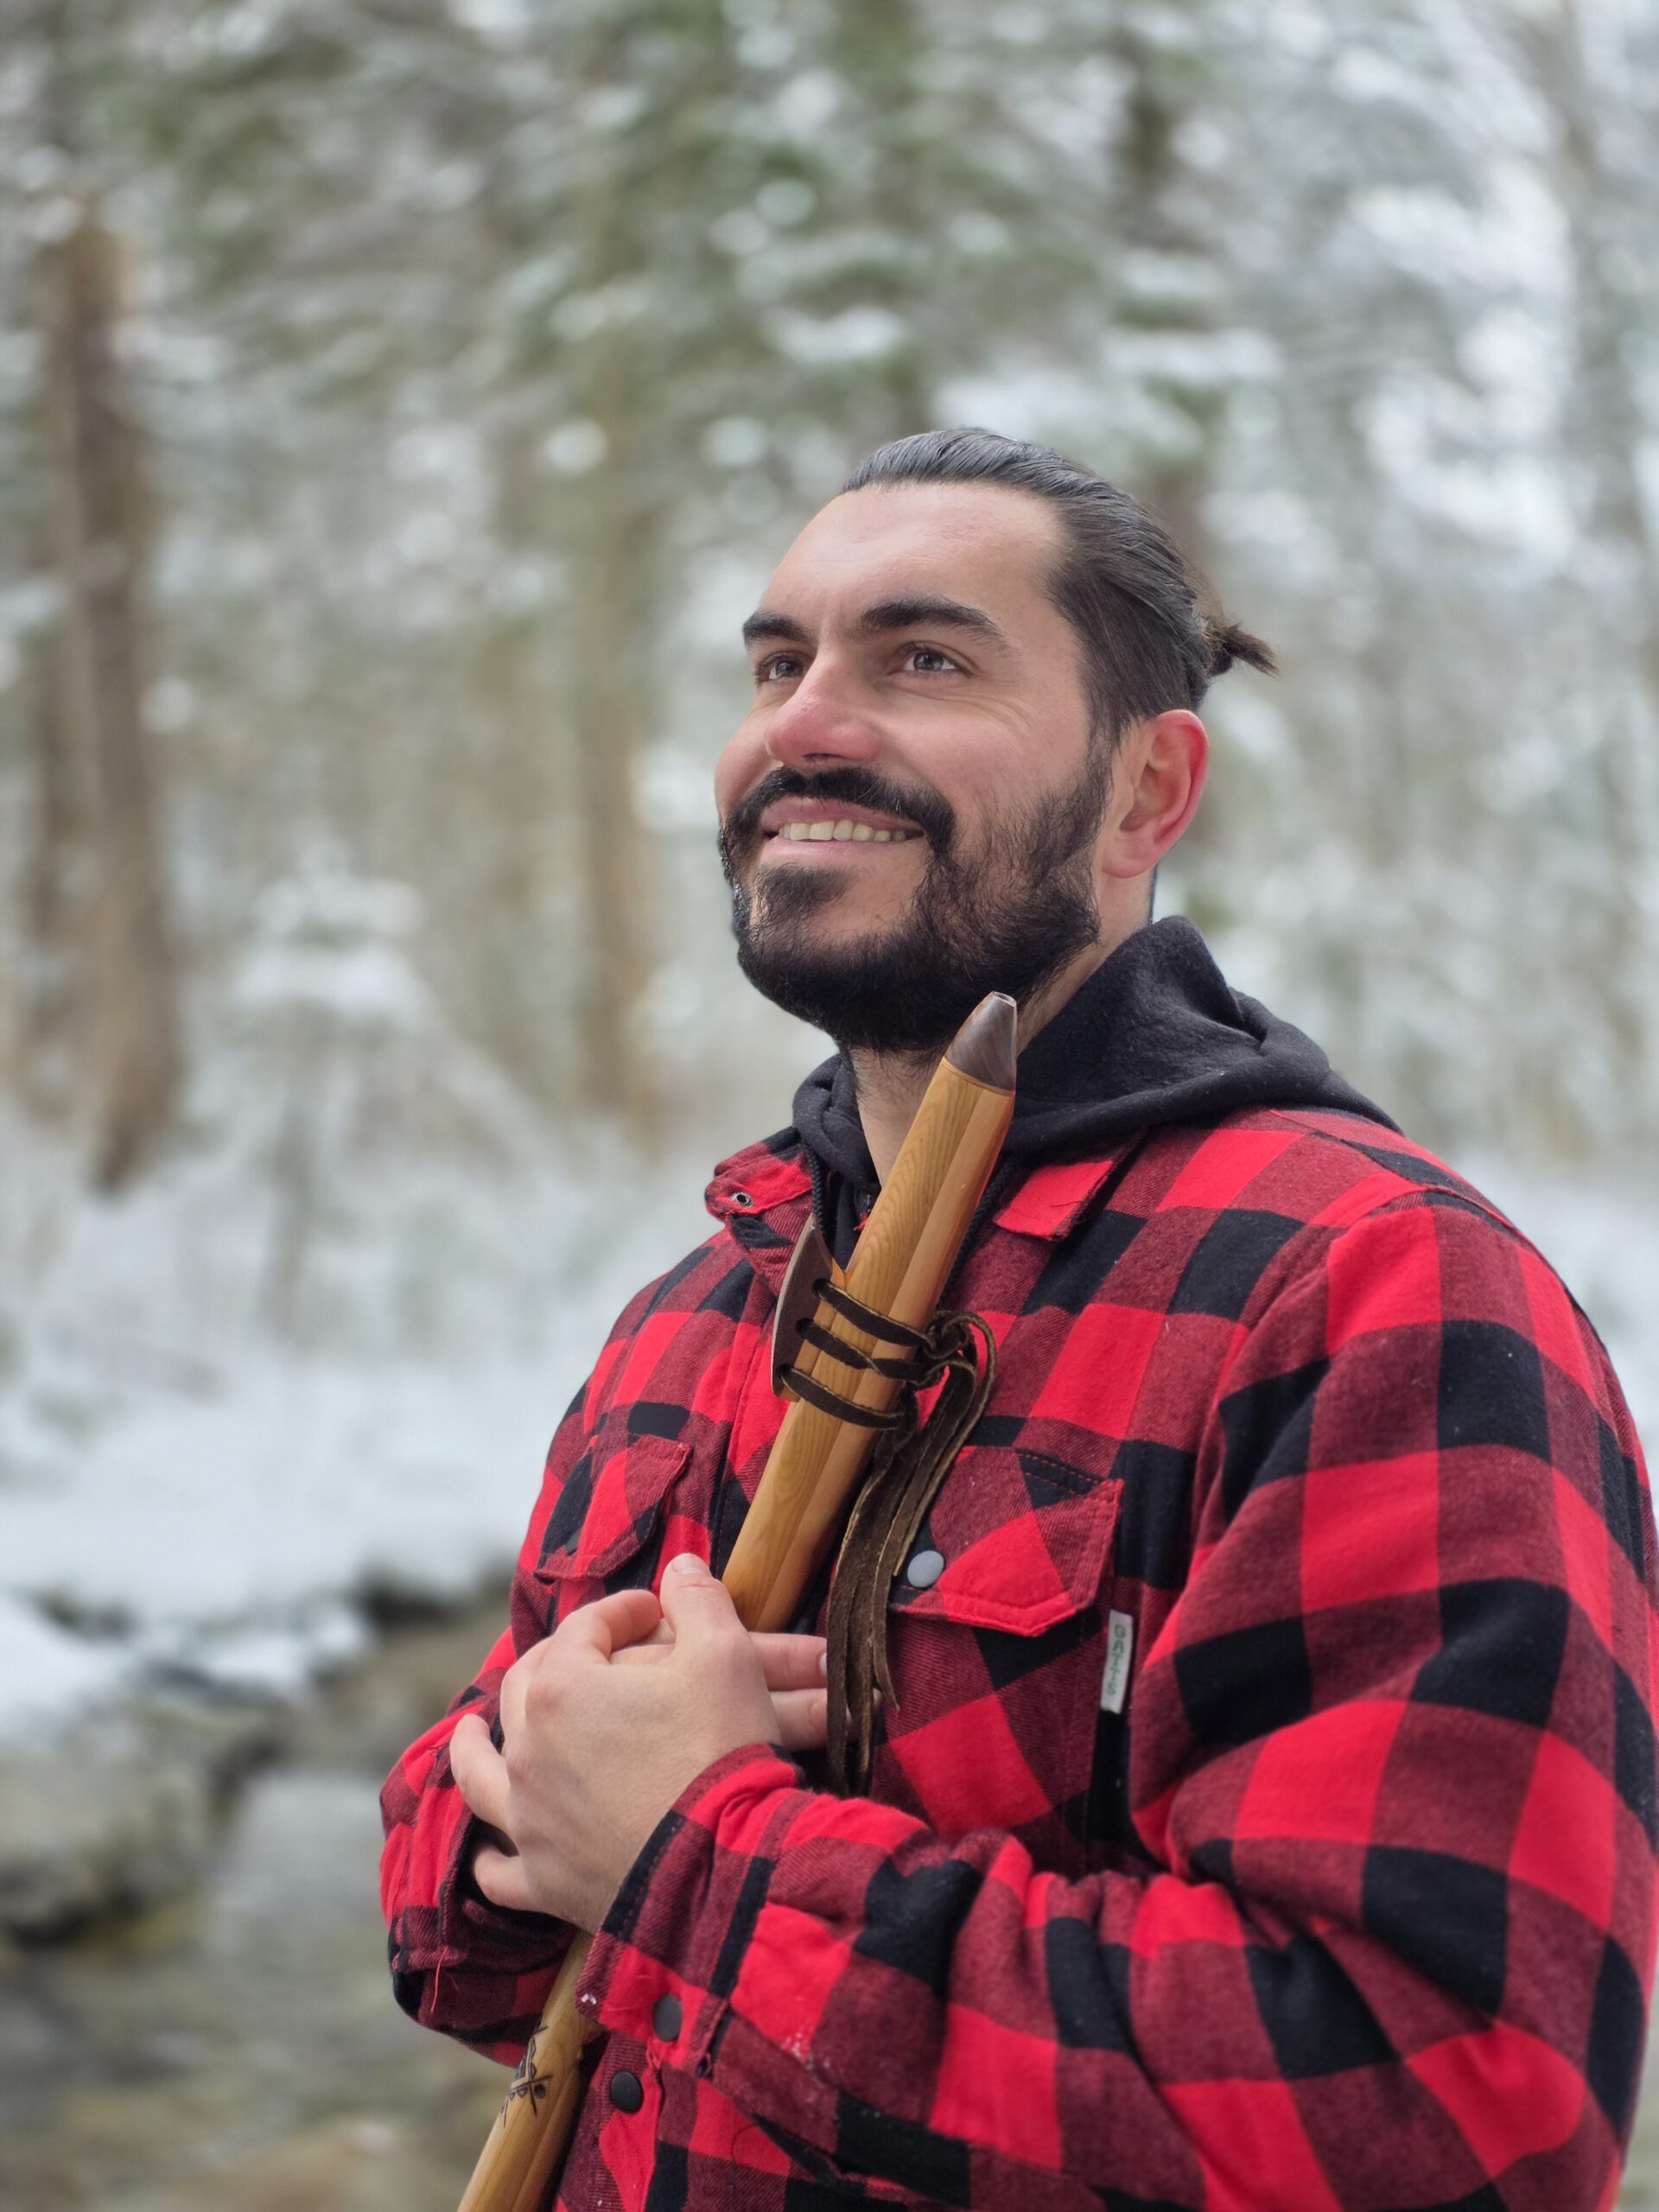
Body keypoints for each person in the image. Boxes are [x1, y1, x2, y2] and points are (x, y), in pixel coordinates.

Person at [381, 429, 1658, 2209]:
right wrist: (525, 1801)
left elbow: (1447, 2115)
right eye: (778, 662)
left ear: (1148, 794)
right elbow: (459, 1942)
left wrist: (696, 1856)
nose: (805, 721)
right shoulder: (701, 1304)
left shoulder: (1369, 1288)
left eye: (922, 658)